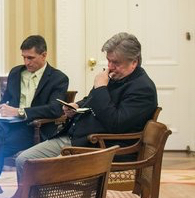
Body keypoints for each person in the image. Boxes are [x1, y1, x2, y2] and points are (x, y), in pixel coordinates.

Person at [15, 32, 158, 188]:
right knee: (24, 160)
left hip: (101, 148)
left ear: (134, 62)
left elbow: (115, 123)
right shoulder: (115, 76)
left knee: (46, 171)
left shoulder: (143, 88)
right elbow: (92, 99)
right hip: (75, 137)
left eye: (115, 62)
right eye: (109, 61)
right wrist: (77, 106)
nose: (110, 67)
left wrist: (101, 87)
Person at [0, 35, 69, 198]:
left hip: (35, 130)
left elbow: (55, 109)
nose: (26, 62)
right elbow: (7, 98)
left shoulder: (58, 78)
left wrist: (21, 112)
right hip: (10, 128)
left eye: (30, 58)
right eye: (23, 57)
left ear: (44, 55)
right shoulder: (16, 72)